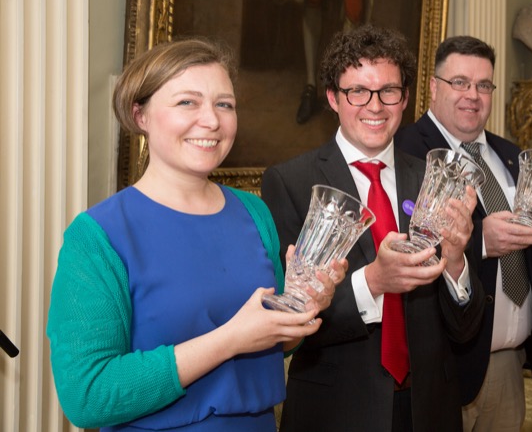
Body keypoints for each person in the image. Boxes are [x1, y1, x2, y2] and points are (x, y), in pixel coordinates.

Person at [47, 38, 344, 431]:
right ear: (141, 115)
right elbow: (87, 397)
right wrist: (229, 339)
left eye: (224, 104)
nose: (212, 120)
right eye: (188, 102)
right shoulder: (98, 237)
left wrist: (305, 309)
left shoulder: (254, 212)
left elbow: (277, 346)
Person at [262, 25, 485, 431]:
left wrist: (455, 261)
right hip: (336, 411)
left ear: (405, 99)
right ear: (333, 98)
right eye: (358, 91)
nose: (375, 105)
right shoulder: (291, 182)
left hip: (429, 410)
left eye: (389, 91)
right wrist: (373, 282)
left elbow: (466, 328)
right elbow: (289, 322)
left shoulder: (435, 179)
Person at [395, 35, 532, 431]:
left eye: (483, 85)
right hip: (442, 366)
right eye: (460, 82)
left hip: (509, 366)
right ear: (434, 88)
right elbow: (404, 244)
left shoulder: (511, 155)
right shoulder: (404, 151)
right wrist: (482, 242)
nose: (473, 95)